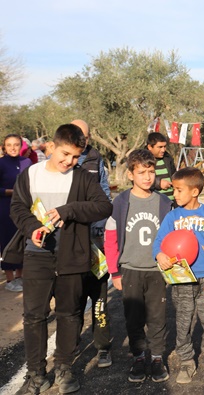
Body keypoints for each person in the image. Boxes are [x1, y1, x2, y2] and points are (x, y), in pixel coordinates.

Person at [10, 124, 112, 394]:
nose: (70, 161)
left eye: (76, 156)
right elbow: (17, 208)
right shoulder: (30, 174)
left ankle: (64, 368)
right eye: (66, 154)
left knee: (69, 313)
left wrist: (69, 210)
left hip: (73, 256)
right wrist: (32, 229)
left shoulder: (82, 177)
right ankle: (35, 373)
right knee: (34, 316)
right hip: (37, 257)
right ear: (51, 147)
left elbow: (104, 205)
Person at [104, 149, 172, 384]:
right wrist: (114, 271)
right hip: (130, 269)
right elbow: (110, 239)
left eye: (151, 172)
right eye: (141, 172)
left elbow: (173, 236)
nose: (147, 177)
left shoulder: (164, 202)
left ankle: (156, 357)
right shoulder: (121, 202)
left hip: (156, 271)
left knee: (157, 317)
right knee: (133, 318)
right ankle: (139, 356)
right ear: (130, 174)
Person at [153, 167, 204, 385]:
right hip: (181, 278)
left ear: (194, 192)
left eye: (179, 190)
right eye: (174, 190)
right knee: (183, 322)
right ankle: (186, 361)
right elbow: (158, 243)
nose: (175, 194)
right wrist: (160, 255)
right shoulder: (172, 216)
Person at [71, 119, 114, 369]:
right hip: (69, 243)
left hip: (95, 239)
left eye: (85, 135)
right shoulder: (58, 163)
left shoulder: (96, 160)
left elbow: (106, 196)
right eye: (77, 134)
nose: (82, 139)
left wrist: (101, 229)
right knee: (72, 298)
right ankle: (70, 344)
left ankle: (103, 347)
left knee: (99, 299)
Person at [0, 134, 32, 292]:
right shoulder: (1, 163)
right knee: (7, 241)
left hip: (24, 208)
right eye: (9, 145)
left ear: (21, 146)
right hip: (5, 207)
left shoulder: (27, 162)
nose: (13, 148)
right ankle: (10, 278)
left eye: (16, 144)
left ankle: (20, 276)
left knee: (22, 240)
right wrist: (11, 192)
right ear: (4, 147)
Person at [146, 132, 177, 202]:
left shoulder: (168, 158)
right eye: (160, 147)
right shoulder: (142, 161)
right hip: (154, 203)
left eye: (164, 146)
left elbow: (174, 175)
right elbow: (138, 180)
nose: (163, 150)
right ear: (150, 147)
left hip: (171, 202)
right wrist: (158, 183)